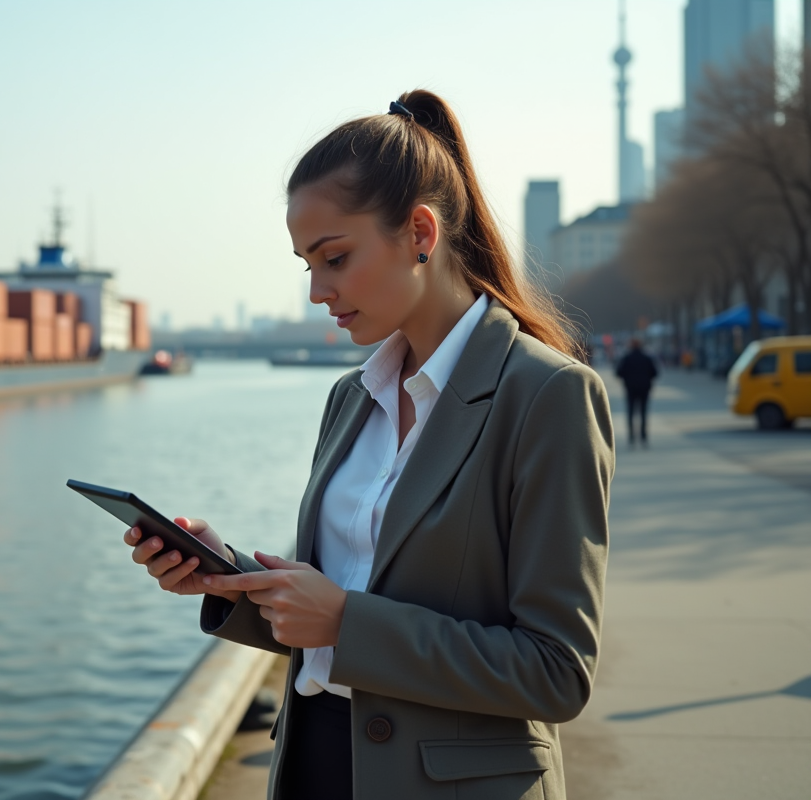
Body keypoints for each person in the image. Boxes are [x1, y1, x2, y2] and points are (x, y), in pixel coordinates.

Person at [124, 90, 614, 800]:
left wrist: (347, 621)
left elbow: (556, 671)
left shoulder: (548, 396)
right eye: (306, 265)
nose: (318, 290)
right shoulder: (350, 398)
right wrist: (225, 579)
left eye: (335, 258)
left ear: (420, 231)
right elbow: (330, 611)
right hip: (318, 769)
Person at [615, 338, 658, 446]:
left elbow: (619, 372)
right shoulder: (647, 358)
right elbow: (654, 373)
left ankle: (631, 437)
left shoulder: (627, 358)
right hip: (644, 388)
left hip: (630, 388)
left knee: (630, 412)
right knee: (643, 412)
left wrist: (627, 378)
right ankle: (643, 436)